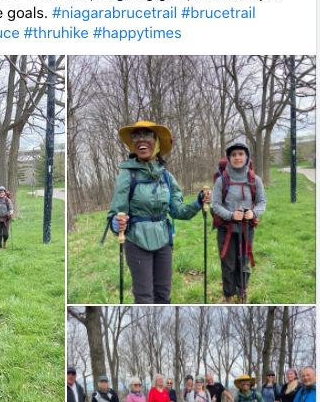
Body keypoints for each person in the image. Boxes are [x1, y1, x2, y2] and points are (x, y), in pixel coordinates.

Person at [107, 121, 211, 304]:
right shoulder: (127, 176)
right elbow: (116, 213)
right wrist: (116, 223)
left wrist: (197, 203)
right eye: (135, 136)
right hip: (136, 241)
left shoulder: (166, 177)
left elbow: (179, 211)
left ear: (157, 142)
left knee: (163, 294)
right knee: (144, 296)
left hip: (163, 240)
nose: (140, 140)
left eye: (146, 135)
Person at [211, 141, 267, 303]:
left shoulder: (254, 179)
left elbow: (262, 201)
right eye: (233, 154)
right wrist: (230, 215)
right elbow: (215, 204)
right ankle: (229, 295)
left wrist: (253, 213)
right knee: (228, 264)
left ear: (246, 156)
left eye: (240, 154)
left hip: (246, 228)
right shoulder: (221, 180)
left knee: (243, 262)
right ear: (228, 158)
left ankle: (242, 292)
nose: (237, 157)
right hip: (225, 229)